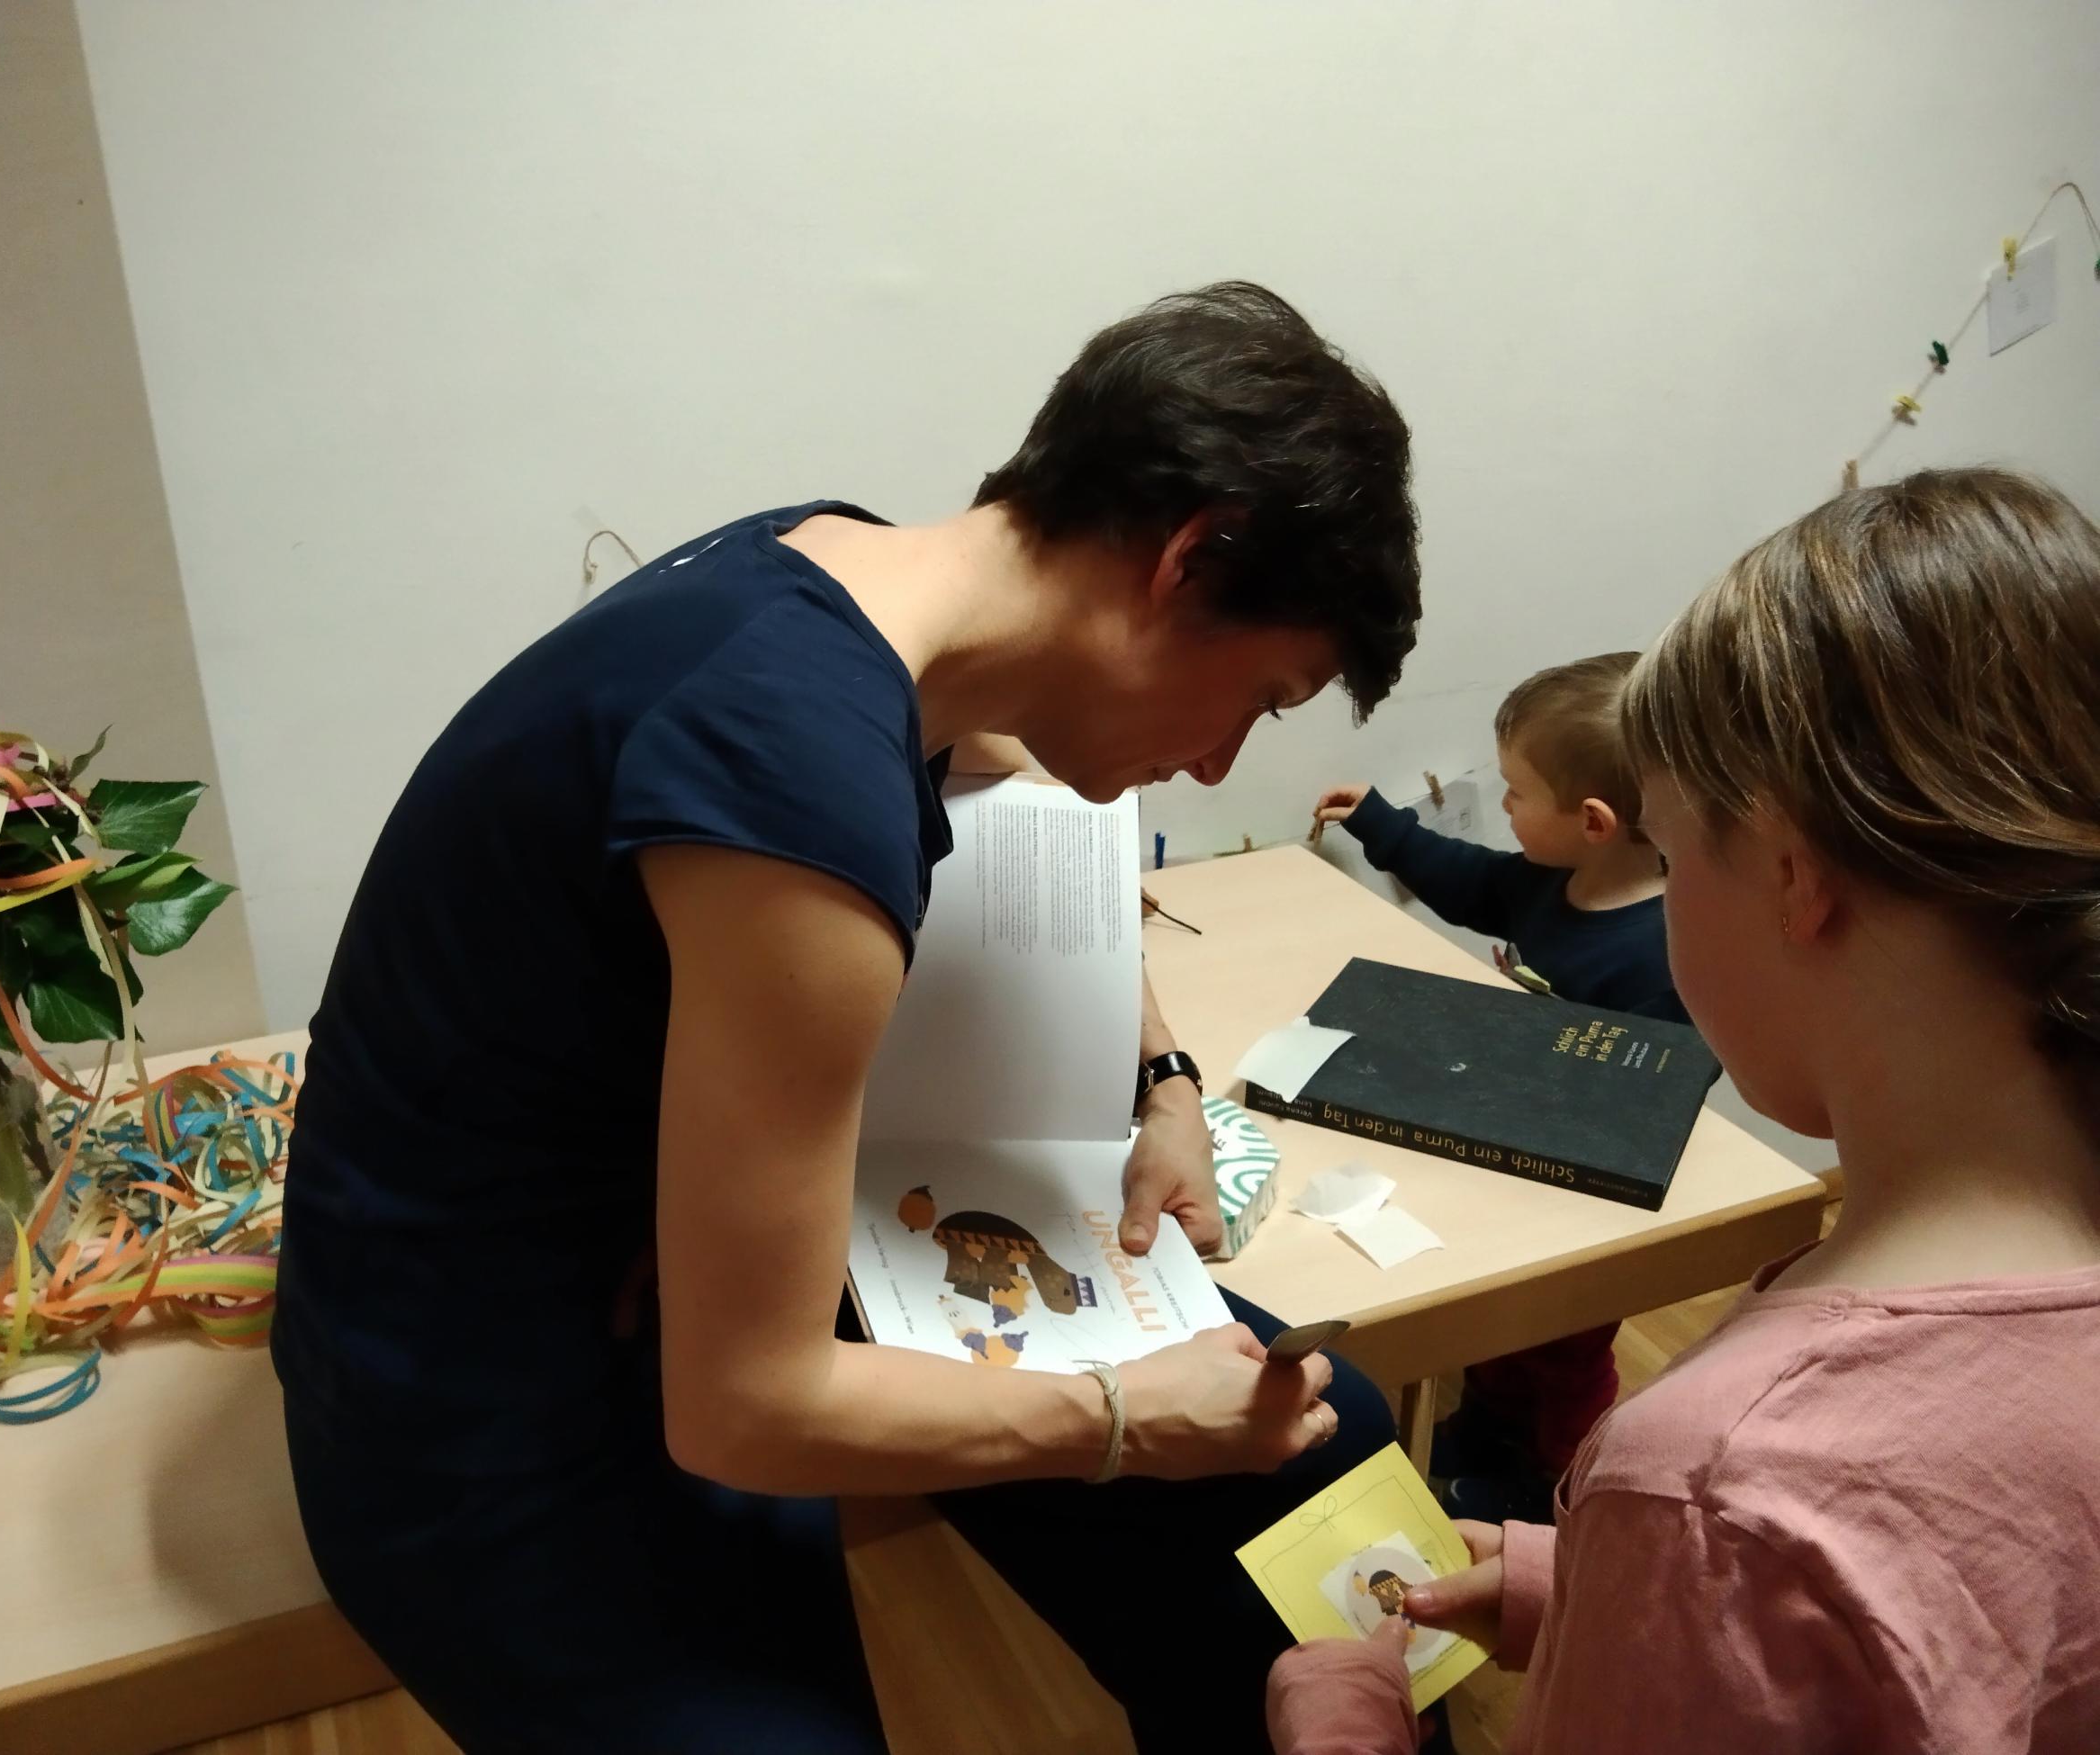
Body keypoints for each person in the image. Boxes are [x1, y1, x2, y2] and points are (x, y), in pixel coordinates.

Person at [272, 282, 1425, 1754]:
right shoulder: (792, 779)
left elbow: (1006, 763)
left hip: (682, 1259)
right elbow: (744, 1407)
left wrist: (1166, 1079)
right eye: (1260, 698)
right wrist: (1127, 1417)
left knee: (1332, 1451)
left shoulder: (852, 579)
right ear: (1187, 558)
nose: (1214, 767)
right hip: (480, 1391)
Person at [1268, 467, 2100, 1753]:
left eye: (1666, 852)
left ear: (1789, 874)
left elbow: (1796, 1576)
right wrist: (1611, 1593)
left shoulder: (1731, 1491)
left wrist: (1350, 1723)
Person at [1311, 652, 1680, 1523]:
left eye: (1516, 792)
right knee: (1497, 1339)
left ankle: (1558, 1486)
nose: (1503, 805)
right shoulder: (1550, 883)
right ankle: (1487, 1437)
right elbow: (1467, 879)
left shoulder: (1660, 954)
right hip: (1519, 1157)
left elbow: (1653, 1105)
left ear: (1592, 821)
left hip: (1590, 1209)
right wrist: (1383, 825)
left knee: (1559, 1356)